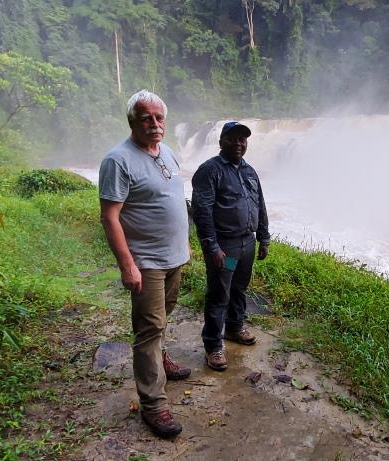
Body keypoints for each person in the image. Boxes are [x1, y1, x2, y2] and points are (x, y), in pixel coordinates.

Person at [98, 89, 191, 439]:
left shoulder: (166, 152)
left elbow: (172, 200)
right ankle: (153, 404)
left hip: (173, 258)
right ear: (132, 121)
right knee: (149, 328)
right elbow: (110, 218)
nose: (154, 124)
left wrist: (183, 244)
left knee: (162, 318)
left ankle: (161, 359)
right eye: (146, 118)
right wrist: (127, 266)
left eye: (159, 118)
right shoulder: (118, 160)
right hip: (146, 263)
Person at [191, 121, 270, 372]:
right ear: (221, 141)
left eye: (242, 139)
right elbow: (202, 212)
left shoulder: (249, 171)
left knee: (238, 289)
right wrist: (212, 247)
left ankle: (235, 328)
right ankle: (213, 346)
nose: (238, 143)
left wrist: (264, 237)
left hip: (247, 243)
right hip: (226, 247)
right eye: (232, 138)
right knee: (219, 294)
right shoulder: (210, 171)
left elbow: (260, 205)